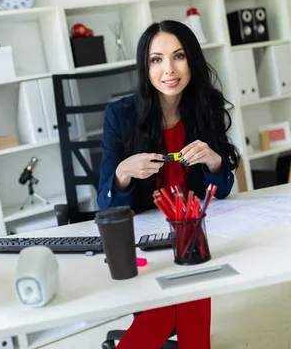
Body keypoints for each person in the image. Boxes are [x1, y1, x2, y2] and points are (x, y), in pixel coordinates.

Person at [97, 20, 240, 349]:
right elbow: (107, 203)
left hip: (193, 230)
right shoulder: (121, 116)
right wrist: (123, 171)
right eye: (156, 60)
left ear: (192, 59)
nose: (169, 70)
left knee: (190, 280)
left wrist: (214, 160)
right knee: (179, 298)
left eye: (178, 56)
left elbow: (224, 187)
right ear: (145, 68)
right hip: (146, 240)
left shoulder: (207, 106)